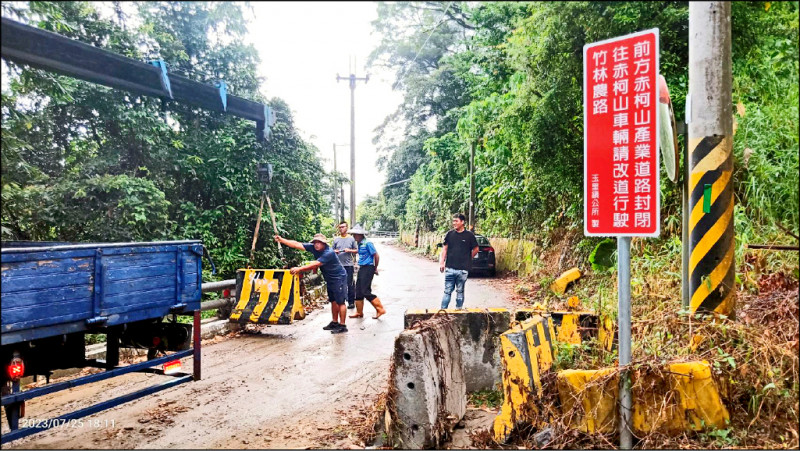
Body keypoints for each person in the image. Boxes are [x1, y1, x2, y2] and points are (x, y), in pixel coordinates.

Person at [274, 233, 349, 334]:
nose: (317, 245)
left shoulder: (329, 252)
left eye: (319, 243)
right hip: (330, 278)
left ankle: (343, 325)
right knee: (333, 300)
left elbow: (316, 264)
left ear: (324, 243)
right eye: (315, 242)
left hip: (339, 277)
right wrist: (282, 240)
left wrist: (299, 269)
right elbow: (296, 244)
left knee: (340, 302)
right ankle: (335, 322)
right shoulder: (314, 248)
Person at [439, 213, 479, 309]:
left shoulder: (469, 235)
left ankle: (458, 311)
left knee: (460, 291)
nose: (454, 223)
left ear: (462, 222)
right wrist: (442, 263)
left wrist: (469, 258)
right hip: (450, 268)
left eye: (456, 221)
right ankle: (442, 312)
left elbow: (476, 248)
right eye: (453, 221)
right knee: (447, 291)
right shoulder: (449, 234)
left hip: (463, 269)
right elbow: (444, 249)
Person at [347, 225, 386, 319]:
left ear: (361, 235)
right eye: (353, 234)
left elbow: (376, 256)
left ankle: (380, 309)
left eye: (356, 234)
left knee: (365, 291)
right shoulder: (360, 244)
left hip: (368, 268)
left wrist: (375, 268)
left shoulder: (368, 243)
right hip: (362, 268)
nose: (354, 236)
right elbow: (359, 252)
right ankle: (359, 312)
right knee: (358, 291)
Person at [332, 221, 358, 309]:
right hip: (338, 265)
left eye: (343, 227)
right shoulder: (336, 239)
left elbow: (356, 250)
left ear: (346, 228)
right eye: (340, 227)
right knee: (339, 284)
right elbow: (331, 251)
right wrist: (334, 251)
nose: (341, 229)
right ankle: (340, 301)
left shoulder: (351, 239)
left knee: (350, 284)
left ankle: (351, 302)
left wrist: (349, 250)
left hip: (348, 265)